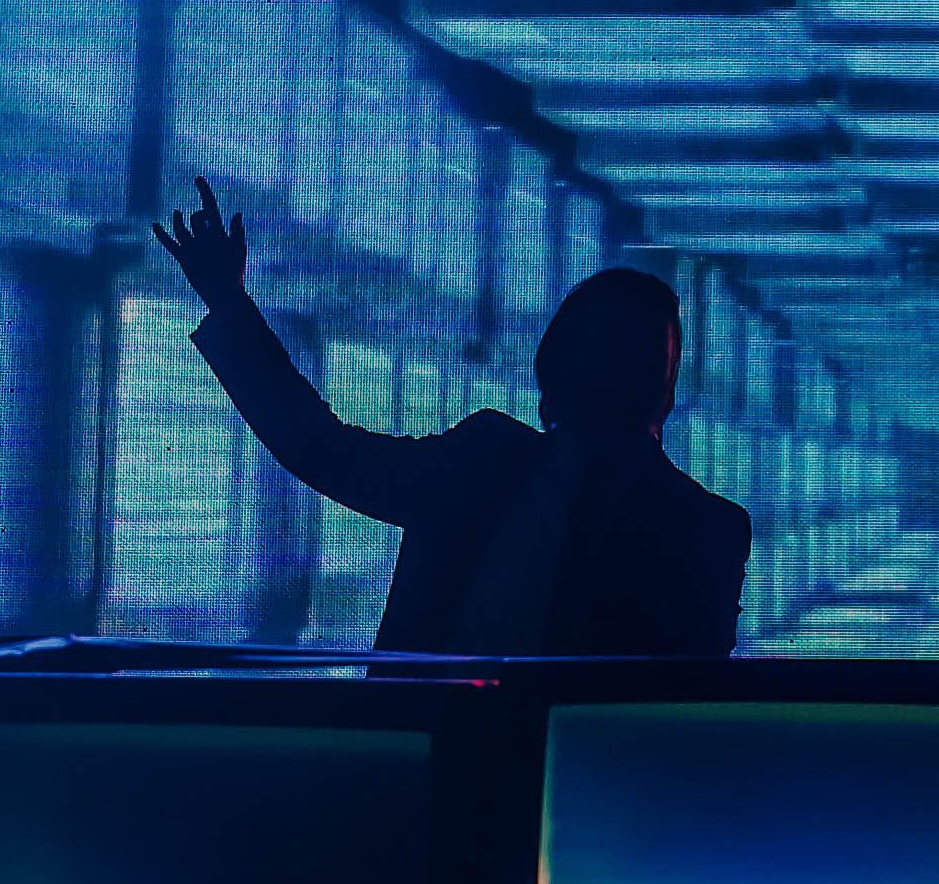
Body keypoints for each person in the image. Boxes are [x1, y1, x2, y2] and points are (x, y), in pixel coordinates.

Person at [153, 177, 753, 656]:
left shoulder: (483, 461)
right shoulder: (708, 530)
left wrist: (229, 302)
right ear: (666, 398)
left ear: (551, 379)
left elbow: (322, 448)